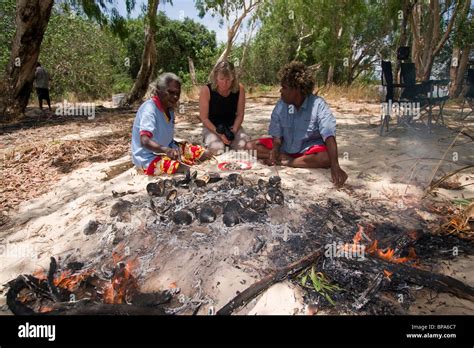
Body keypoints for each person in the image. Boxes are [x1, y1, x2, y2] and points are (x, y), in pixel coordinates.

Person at [246, 61, 348, 187]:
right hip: (285, 147)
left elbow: (329, 136)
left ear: (297, 89)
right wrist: (275, 149)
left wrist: (335, 165)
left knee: (325, 158)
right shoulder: (281, 105)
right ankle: (284, 158)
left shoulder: (318, 105)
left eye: (284, 87)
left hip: (308, 151)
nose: (280, 91)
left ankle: (288, 161)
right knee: (250, 146)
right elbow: (277, 137)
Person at [131, 72, 210, 175]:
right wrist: (165, 150)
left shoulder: (170, 109)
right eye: (171, 92)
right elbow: (144, 141)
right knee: (182, 167)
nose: (175, 97)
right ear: (159, 91)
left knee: (202, 153)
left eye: (177, 93)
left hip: (168, 148)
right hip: (147, 158)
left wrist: (169, 149)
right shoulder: (149, 109)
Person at [199, 60, 248, 154]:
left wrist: (233, 132)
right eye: (222, 79)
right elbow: (204, 118)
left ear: (233, 78)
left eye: (228, 79)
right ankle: (212, 140)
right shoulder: (206, 90)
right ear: (216, 77)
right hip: (212, 127)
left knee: (243, 145)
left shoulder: (240, 89)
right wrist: (220, 135)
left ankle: (228, 142)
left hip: (232, 126)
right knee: (216, 149)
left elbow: (240, 114)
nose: (225, 83)